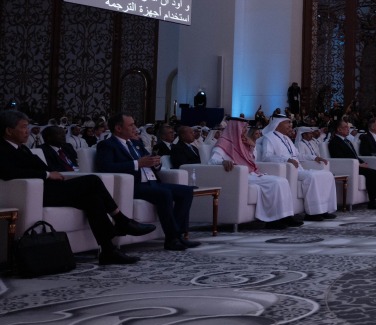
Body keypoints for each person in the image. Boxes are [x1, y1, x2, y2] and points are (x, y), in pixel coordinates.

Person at [0, 110, 152, 264]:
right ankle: (121, 220)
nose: (27, 131)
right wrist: (46, 175)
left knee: (93, 199)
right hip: (35, 194)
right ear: (9, 130)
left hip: (50, 189)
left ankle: (108, 250)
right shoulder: (2, 148)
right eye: (23, 127)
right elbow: (9, 172)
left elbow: (44, 168)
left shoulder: (22, 148)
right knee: (93, 181)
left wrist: (48, 173)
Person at [96, 112, 198, 251]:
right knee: (164, 194)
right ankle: (172, 239)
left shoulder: (136, 143)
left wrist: (155, 163)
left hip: (152, 182)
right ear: (118, 128)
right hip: (134, 185)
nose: (135, 128)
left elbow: (149, 161)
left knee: (186, 191)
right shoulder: (107, 145)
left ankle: (178, 234)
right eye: (131, 125)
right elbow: (106, 167)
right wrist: (137, 164)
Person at [211, 118, 304, 226]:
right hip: (238, 175)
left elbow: (252, 160)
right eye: (244, 128)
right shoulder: (223, 143)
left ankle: (286, 216)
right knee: (276, 183)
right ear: (236, 129)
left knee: (282, 181)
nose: (245, 131)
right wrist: (223, 162)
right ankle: (272, 220)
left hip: (251, 173)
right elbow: (212, 161)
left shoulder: (242, 142)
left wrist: (252, 146)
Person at [259, 116, 338, 220]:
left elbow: (298, 155)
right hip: (287, 170)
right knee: (312, 177)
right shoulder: (269, 138)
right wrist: (286, 160)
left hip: (298, 169)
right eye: (287, 123)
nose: (290, 125)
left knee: (327, 175)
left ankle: (323, 209)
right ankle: (312, 213)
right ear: (277, 125)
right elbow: (266, 157)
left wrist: (314, 157)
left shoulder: (286, 138)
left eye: (290, 123)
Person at [328, 119, 376, 209]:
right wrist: (358, 165)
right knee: (372, 173)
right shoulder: (334, 142)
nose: (348, 129)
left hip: (354, 165)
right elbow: (340, 158)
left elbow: (355, 156)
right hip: (347, 167)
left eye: (348, 127)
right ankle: (375, 201)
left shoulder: (347, 141)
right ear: (339, 129)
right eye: (345, 127)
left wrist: (361, 162)